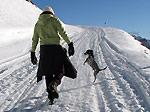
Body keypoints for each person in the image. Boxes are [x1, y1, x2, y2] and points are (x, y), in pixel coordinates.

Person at [31, 6, 75, 104]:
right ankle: (54, 83)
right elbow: (62, 33)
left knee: (48, 73)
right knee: (61, 69)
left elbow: (35, 39)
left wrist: (33, 52)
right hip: (55, 48)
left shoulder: (38, 24)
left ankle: (51, 98)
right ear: (51, 13)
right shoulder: (54, 20)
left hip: (44, 50)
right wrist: (69, 44)